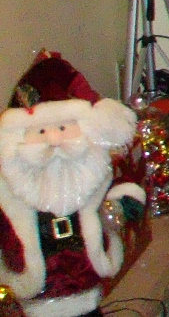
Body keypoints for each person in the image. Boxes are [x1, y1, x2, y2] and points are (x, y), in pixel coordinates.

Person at [0, 52, 147, 317]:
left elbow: (127, 193)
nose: (55, 141)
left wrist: (121, 207)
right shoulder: (9, 186)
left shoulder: (91, 171)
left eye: (63, 128)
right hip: (35, 300)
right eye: (41, 131)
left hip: (88, 292)